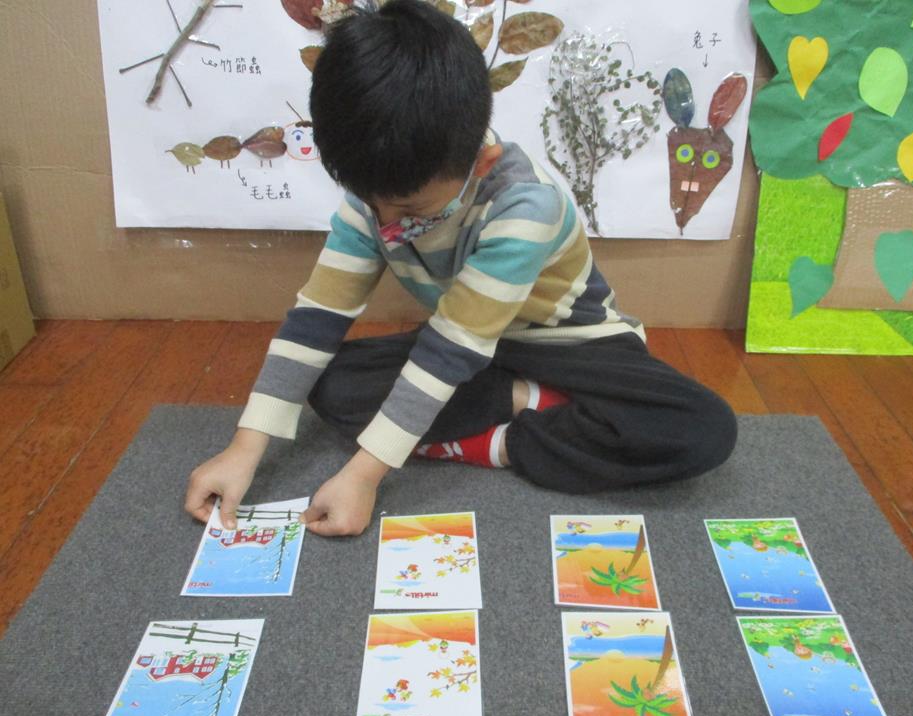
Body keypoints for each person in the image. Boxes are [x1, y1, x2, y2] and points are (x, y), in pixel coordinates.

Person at [184, 0, 736, 538]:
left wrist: (364, 475)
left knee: (701, 428)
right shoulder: (379, 191)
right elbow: (318, 317)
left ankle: (503, 439)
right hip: (474, 350)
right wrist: (244, 448)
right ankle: (528, 401)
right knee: (331, 384)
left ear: (482, 163)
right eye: (372, 203)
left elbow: (451, 348)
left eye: (409, 210)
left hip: (570, 346)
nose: (388, 224)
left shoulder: (525, 204)